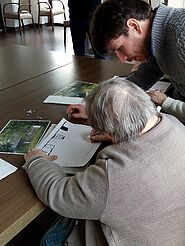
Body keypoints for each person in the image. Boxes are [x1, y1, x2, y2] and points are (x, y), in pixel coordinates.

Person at [24, 77, 185, 245]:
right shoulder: (175, 124)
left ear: (108, 129)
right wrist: (113, 135)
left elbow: (58, 194)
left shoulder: (114, 174)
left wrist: (36, 161)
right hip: (169, 231)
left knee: (49, 240)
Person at [90, 0, 185, 100]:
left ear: (134, 26)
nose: (122, 59)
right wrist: (92, 107)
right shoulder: (157, 39)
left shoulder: (181, 34)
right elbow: (141, 79)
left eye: (120, 48)